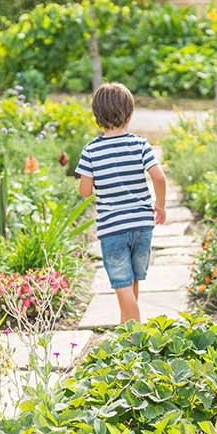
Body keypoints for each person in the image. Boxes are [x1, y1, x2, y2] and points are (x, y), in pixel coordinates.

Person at [76, 82, 167, 324]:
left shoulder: (91, 151)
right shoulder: (140, 144)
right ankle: (126, 325)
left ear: (97, 116)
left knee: (121, 283)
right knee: (132, 280)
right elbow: (159, 176)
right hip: (142, 224)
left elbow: (85, 192)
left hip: (112, 228)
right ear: (130, 114)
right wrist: (161, 205)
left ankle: (136, 331)